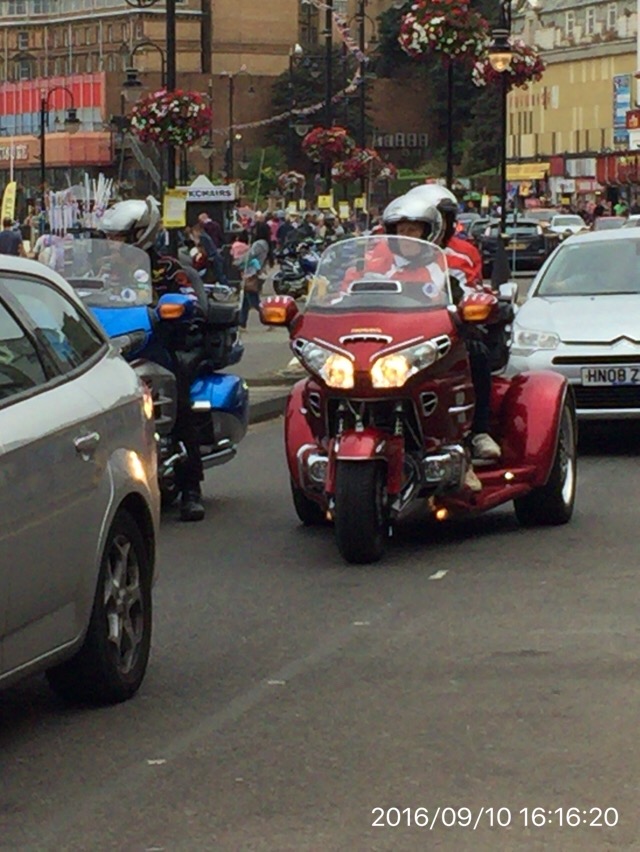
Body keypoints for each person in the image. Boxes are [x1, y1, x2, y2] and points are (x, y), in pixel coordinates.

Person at [100, 196, 208, 522]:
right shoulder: (102, 270)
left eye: (118, 238)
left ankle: (192, 487)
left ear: (140, 235)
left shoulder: (168, 269)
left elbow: (191, 302)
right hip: (113, 345)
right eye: (109, 237)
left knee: (181, 400)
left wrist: (173, 311)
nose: (112, 244)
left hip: (157, 343)